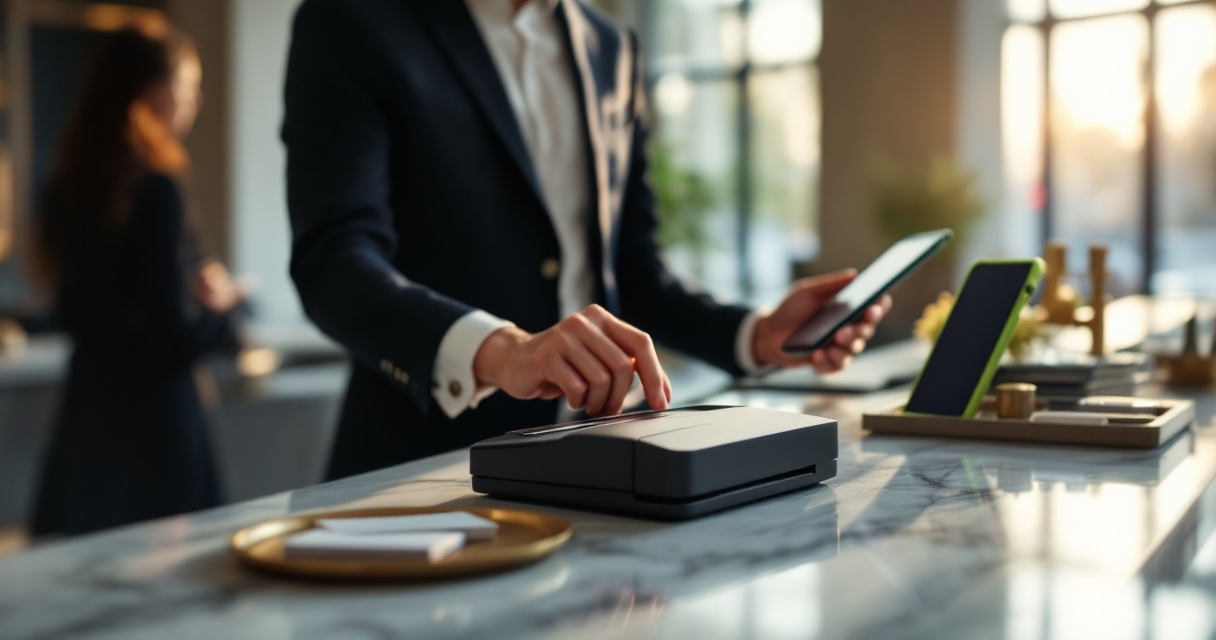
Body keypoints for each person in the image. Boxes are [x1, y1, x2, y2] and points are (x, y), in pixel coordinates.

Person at [283, 0, 891, 481]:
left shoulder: (610, 46)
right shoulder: (353, 21)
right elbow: (335, 262)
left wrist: (757, 334)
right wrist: (505, 350)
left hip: (602, 470)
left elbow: (634, 274)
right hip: (421, 478)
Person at [30, 28, 245, 536]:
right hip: (157, 430)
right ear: (152, 90)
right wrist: (223, 312)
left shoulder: (68, 185)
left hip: (89, 418)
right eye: (187, 86)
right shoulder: (156, 188)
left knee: (90, 571)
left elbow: (74, 310)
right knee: (176, 570)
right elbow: (171, 333)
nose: (195, 100)